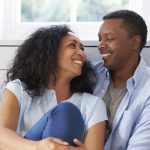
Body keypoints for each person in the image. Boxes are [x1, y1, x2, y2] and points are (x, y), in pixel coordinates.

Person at [0, 25, 107, 150]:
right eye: (72, 45)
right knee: (66, 112)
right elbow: (2, 137)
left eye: (82, 48)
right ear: (50, 52)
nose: (81, 53)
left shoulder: (94, 104)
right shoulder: (18, 89)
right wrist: (38, 147)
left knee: (68, 112)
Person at [93, 9, 150, 150]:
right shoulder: (89, 74)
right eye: (100, 39)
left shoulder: (147, 90)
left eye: (109, 39)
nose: (100, 45)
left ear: (135, 42)